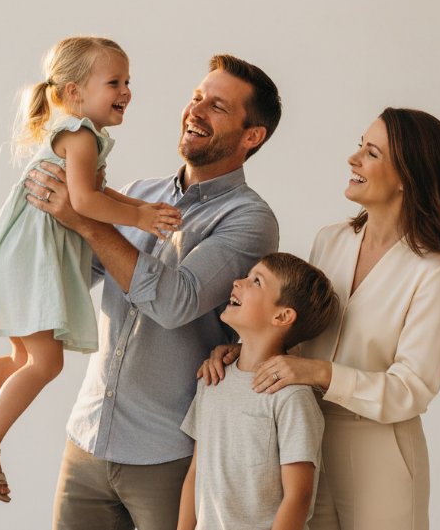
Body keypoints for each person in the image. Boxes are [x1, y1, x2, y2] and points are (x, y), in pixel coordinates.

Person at [0, 36, 182, 502]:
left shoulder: (81, 134)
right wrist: (138, 218)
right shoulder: (79, 134)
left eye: (127, 81)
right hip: (33, 256)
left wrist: (141, 207)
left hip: (25, 253)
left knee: (22, 360)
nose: (126, 90)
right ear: (74, 92)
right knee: (45, 362)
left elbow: (99, 193)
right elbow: (83, 201)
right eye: (113, 81)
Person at [24, 54, 283, 529]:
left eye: (218, 107)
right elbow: (76, 274)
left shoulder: (249, 219)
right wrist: (39, 220)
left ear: (252, 136)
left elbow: (174, 302)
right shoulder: (137, 193)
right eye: (197, 97)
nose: (196, 111)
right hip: (87, 441)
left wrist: (84, 219)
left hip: (167, 456)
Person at [202, 108, 440, 530]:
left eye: (372, 153)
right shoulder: (331, 240)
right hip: (302, 439)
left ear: (406, 176)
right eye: (359, 147)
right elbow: (297, 327)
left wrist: (319, 372)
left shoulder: (437, 274)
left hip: (380, 453)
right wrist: (242, 352)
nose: (354, 160)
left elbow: (412, 389)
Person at [177, 253, 339, 530]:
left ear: (282, 316)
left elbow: (298, 497)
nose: (238, 281)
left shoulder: (291, 397)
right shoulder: (211, 379)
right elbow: (196, 471)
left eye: (256, 281)